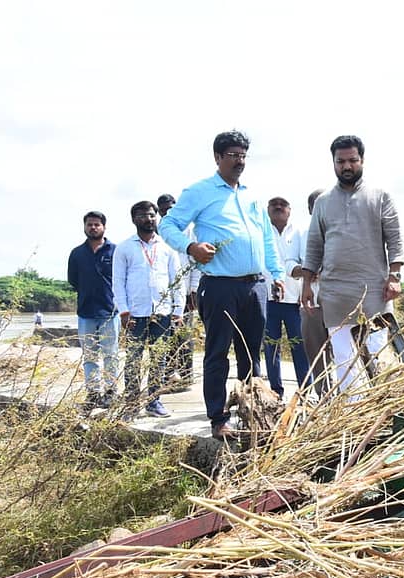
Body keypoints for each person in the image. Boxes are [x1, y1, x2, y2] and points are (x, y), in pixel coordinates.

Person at [159, 130, 285, 440]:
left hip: (255, 286)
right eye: (232, 155)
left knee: (250, 355)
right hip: (219, 286)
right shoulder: (199, 191)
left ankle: (253, 414)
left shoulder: (251, 196)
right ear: (217, 157)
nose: (239, 161)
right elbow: (168, 224)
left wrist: (277, 273)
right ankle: (218, 418)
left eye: (243, 156)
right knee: (217, 354)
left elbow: (266, 238)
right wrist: (191, 247)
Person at [301, 135, 404, 398]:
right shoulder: (323, 202)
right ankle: (353, 412)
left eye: (352, 160)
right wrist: (306, 285)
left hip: (375, 292)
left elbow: (394, 239)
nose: (347, 166)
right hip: (335, 293)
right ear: (333, 163)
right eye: (341, 162)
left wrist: (394, 276)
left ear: (362, 160)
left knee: (379, 355)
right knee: (344, 359)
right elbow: (314, 246)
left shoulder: (380, 196)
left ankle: (382, 408)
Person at [113, 201, 185, 418]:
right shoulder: (124, 248)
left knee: (158, 358)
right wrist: (123, 311)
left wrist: (178, 310)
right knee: (134, 359)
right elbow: (118, 282)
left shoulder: (167, 247)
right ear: (134, 219)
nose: (149, 219)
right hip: (135, 313)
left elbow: (177, 280)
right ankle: (131, 404)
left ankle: (154, 402)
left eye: (152, 215)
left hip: (162, 312)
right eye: (143, 215)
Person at [67, 211, 119, 409]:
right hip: (86, 312)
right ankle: (93, 393)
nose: (93, 227)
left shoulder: (115, 251)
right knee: (89, 356)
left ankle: (111, 392)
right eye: (89, 224)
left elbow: (122, 279)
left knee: (110, 354)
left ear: (104, 227)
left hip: (110, 312)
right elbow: (73, 280)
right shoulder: (77, 253)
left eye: (97, 224)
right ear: (84, 227)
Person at [263, 196, 310, 398]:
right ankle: (276, 392)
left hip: (294, 300)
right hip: (268, 300)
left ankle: (305, 392)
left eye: (283, 204)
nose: (278, 207)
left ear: (290, 210)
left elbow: (305, 262)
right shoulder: (262, 231)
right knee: (271, 347)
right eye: (274, 204)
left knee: (300, 346)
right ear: (267, 209)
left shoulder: (299, 232)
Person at [157, 193, 200, 390]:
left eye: (171, 208)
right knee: (163, 337)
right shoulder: (156, 232)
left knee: (184, 336)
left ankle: (185, 376)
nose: (167, 212)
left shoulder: (189, 231)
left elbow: (196, 264)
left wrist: (193, 290)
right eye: (163, 210)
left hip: (185, 294)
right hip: (162, 296)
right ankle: (166, 377)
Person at [298, 188, 331, 397]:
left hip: (339, 302)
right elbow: (289, 263)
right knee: (317, 356)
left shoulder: (341, 230)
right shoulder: (301, 234)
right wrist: (307, 272)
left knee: (347, 353)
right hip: (311, 305)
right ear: (310, 209)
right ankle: (325, 398)